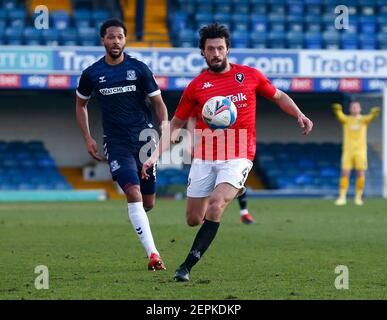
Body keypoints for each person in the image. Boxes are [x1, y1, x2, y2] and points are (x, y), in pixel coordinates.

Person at [142, 23, 313, 282]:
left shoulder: (250, 76)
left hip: (240, 152)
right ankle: (235, 188)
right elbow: (176, 124)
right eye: (210, 49)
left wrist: (299, 113)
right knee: (192, 219)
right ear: (202, 52)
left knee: (216, 205)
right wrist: (155, 155)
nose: (216, 53)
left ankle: (186, 266)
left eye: (220, 48)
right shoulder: (196, 86)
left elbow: (278, 96)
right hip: (206, 155)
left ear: (228, 49)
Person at [75, 19, 168, 271]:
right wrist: (88, 137)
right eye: (110, 37)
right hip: (115, 142)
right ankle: (153, 254)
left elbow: (158, 103)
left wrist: (165, 126)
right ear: (103, 40)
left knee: (148, 203)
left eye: (119, 37)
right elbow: (80, 104)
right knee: (133, 193)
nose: (115, 41)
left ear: (125, 40)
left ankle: (137, 215)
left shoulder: (139, 69)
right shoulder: (92, 74)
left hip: (144, 140)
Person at [186, 115, 254, 224]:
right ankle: (206, 212)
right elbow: (191, 118)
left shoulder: (237, 107)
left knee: (232, 185)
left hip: (233, 151)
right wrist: (191, 143)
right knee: (193, 219)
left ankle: (243, 212)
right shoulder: (201, 104)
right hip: (208, 152)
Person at [332, 101, 381, 206]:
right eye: (352, 107)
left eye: (356, 107)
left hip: (360, 151)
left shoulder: (363, 120)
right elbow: (340, 117)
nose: (354, 108)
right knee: (345, 173)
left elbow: (370, 118)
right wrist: (338, 111)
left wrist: (374, 114)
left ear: (360, 109)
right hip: (348, 150)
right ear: (350, 109)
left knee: (360, 173)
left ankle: (358, 197)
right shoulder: (347, 120)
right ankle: (342, 197)